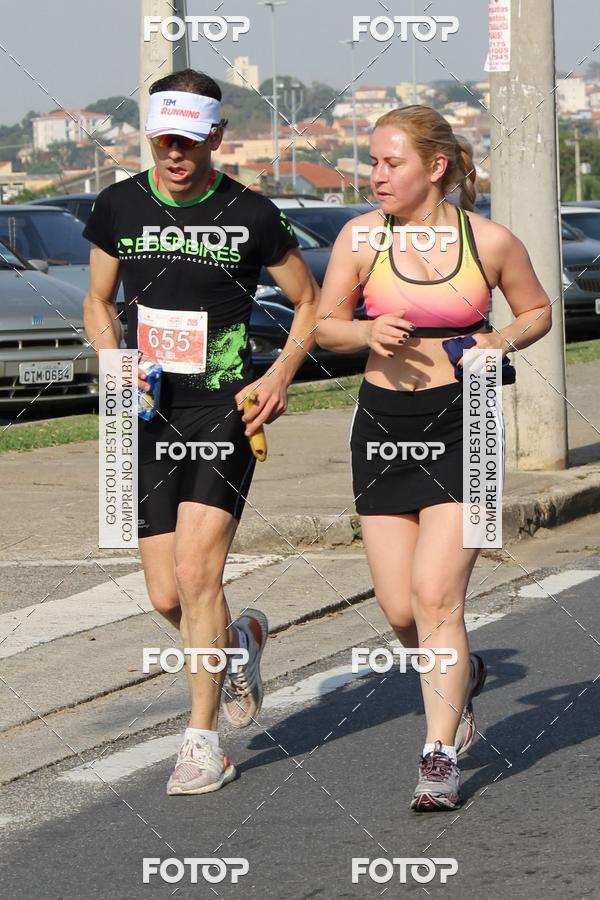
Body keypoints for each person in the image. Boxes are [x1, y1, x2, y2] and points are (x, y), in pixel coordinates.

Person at [83, 69, 319, 795]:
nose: (174, 155)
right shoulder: (119, 203)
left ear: (216, 135)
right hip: (152, 409)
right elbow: (99, 301)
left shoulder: (251, 213)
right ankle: (239, 641)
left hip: (224, 408)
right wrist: (113, 362)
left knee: (197, 575)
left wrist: (277, 377)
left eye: (187, 141)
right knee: (164, 596)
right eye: (162, 141)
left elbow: (307, 302)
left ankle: (201, 741)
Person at [315, 105, 551, 811]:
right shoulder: (359, 239)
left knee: (437, 595)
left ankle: (439, 754)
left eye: (391, 163)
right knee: (399, 606)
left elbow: (536, 310)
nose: (376, 175)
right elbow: (325, 326)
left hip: (467, 422)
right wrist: (363, 331)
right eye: (373, 162)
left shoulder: (491, 241)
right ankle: (464, 671)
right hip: (383, 425)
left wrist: (499, 341)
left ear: (435, 167)